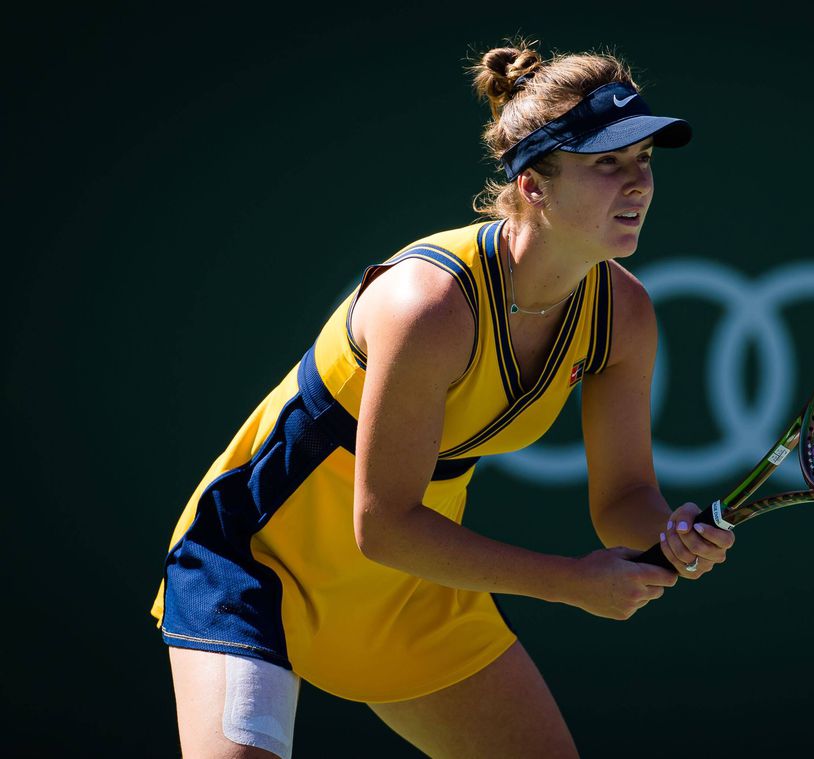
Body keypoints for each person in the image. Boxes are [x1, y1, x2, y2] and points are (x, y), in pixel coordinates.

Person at [151, 40, 735, 758]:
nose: (638, 182)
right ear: (534, 185)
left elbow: (625, 495)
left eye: (644, 159)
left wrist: (669, 532)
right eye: (605, 163)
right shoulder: (428, 305)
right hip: (260, 568)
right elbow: (384, 524)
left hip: (413, 591)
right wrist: (571, 583)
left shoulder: (625, 314)